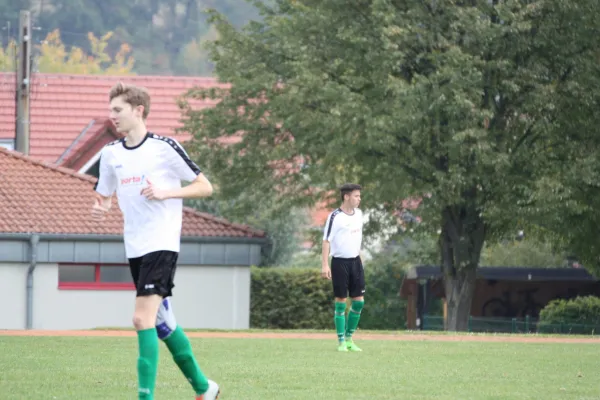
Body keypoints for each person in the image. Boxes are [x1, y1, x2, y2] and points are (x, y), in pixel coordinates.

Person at [90, 82, 220, 400]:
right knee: (163, 325)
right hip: (134, 246)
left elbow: (205, 187)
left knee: (140, 318)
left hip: (162, 244)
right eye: (110, 110)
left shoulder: (164, 147)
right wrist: (100, 207)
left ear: (139, 111)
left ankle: (145, 397)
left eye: (117, 110)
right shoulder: (110, 155)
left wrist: (166, 192)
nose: (112, 116)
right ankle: (205, 388)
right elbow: (104, 195)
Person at [321, 183, 365, 352]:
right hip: (339, 263)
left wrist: (360, 261)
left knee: (359, 302)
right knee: (341, 302)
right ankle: (341, 342)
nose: (359, 199)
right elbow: (326, 241)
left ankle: (349, 339)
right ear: (346, 196)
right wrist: (325, 265)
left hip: (356, 262)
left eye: (359, 196)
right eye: (356, 196)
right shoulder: (335, 216)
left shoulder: (360, 214)